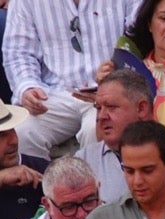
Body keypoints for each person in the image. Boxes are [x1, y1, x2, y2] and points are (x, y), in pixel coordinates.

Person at [3, 0, 138, 160]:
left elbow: (139, 39)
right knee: (23, 133)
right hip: (54, 93)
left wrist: (117, 77)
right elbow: (18, 52)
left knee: (97, 129)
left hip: (111, 91)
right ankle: (39, 184)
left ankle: (99, 184)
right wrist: (27, 87)